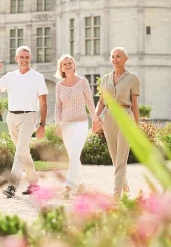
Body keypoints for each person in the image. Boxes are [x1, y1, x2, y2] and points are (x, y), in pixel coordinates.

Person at [0, 46, 48, 198]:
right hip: (11, 117)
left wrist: (42, 124)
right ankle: (34, 184)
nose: (24, 60)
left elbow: (43, 102)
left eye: (27, 57)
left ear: (30, 58)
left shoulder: (37, 77)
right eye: (21, 57)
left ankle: (12, 186)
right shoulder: (10, 76)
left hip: (29, 117)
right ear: (16, 59)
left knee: (19, 152)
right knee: (24, 152)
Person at [93, 47, 141, 202]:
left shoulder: (132, 78)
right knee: (114, 155)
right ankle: (124, 184)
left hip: (125, 116)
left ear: (125, 59)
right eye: (113, 56)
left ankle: (116, 194)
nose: (115, 59)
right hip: (108, 116)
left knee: (121, 157)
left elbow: (134, 104)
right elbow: (101, 101)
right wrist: (95, 116)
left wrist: (137, 124)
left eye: (118, 56)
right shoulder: (106, 78)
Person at [54, 54, 99, 199]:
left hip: (81, 123)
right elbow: (58, 107)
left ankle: (68, 186)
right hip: (65, 124)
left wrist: (95, 119)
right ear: (61, 68)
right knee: (74, 157)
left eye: (70, 62)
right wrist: (57, 125)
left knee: (74, 155)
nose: (68, 65)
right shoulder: (59, 86)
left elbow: (90, 102)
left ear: (74, 65)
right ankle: (82, 185)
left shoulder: (83, 82)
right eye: (65, 64)